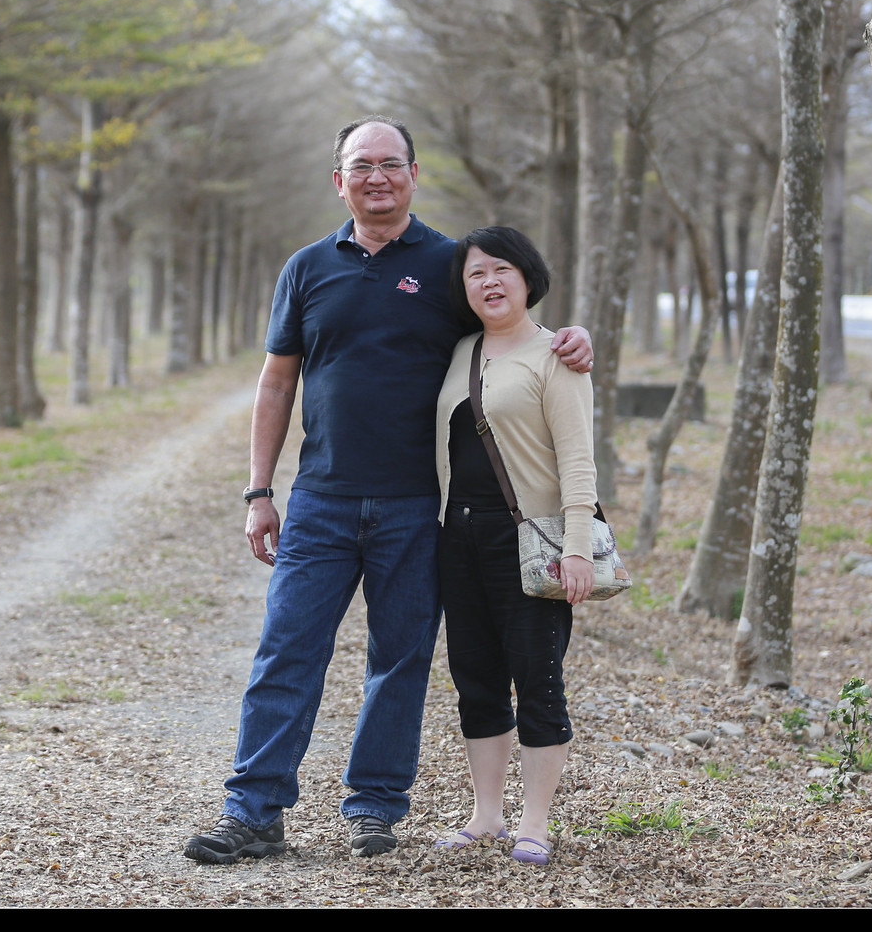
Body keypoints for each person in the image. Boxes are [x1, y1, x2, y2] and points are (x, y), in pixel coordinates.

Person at [184, 117, 593, 864]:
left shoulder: (448, 265)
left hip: (417, 507)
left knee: (399, 662)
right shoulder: (306, 267)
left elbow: (508, 322)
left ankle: (374, 807)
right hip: (321, 499)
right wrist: (259, 490)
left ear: (413, 174)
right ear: (338, 180)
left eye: (390, 164)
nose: (377, 177)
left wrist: (571, 336)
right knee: (286, 652)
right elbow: (276, 382)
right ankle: (253, 809)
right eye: (361, 165)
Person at [432, 225, 615, 867]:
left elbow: (578, 460)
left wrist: (577, 547)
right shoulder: (459, 350)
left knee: (538, 679)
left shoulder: (556, 355)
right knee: (475, 679)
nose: (489, 282)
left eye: (501, 269)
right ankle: (487, 815)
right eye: (476, 273)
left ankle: (535, 823)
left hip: (530, 541)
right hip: (458, 538)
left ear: (528, 278)